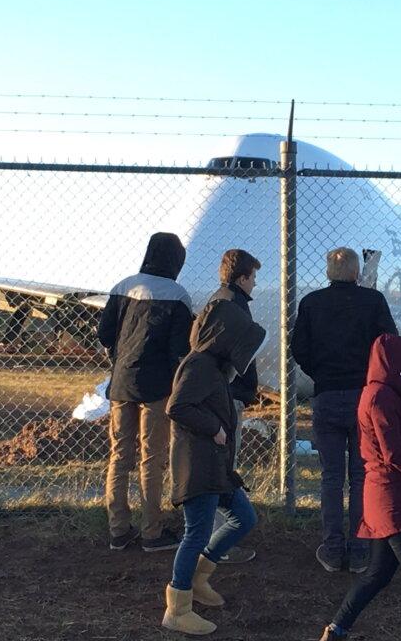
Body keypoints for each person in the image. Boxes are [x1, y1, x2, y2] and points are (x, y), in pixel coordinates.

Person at [319, 334, 401, 641]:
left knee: (377, 574)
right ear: (398, 364)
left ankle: (336, 630)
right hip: (394, 500)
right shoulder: (381, 397)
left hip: (390, 499)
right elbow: (392, 452)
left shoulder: (387, 393)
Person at [162, 296, 266, 635]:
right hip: (198, 465)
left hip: (214, 465)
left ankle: (198, 578)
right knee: (196, 533)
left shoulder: (211, 365)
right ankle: (177, 608)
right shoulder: (199, 366)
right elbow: (177, 407)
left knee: (244, 518)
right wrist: (216, 428)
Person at [292, 247, 397, 574]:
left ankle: (333, 548)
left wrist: (321, 374)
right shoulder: (373, 302)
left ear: (328, 272)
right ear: (357, 272)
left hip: (326, 395)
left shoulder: (311, 303)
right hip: (362, 396)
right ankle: (360, 547)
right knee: (362, 474)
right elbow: (388, 342)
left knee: (331, 476)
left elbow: (299, 349)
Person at [98, 232, 193, 553]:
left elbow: (104, 333)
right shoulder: (178, 295)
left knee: (120, 456)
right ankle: (152, 531)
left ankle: (118, 531)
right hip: (157, 387)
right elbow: (179, 349)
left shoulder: (124, 286)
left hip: (121, 382)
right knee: (151, 459)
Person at [206, 248, 262, 564]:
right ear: (242, 277)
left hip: (226, 394)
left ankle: (216, 539)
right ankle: (218, 542)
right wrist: (238, 388)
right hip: (226, 396)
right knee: (222, 467)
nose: (255, 284)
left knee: (222, 464)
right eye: (253, 277)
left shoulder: (221, 301)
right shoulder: (232, 306)